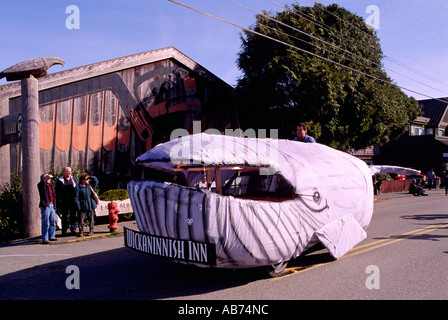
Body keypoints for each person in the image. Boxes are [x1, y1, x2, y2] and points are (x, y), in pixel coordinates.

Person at [55, 167, 79, 236]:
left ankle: (73, 229)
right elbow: (56, 191)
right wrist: (59, 198)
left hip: (72, 201)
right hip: (64, 202)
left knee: (73, 216)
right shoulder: (60, 180)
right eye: (67, 172)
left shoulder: (73, 179)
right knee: (64, 216)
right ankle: (64, 231)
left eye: (69, 172)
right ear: (64, 172)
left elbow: (77, 188)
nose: (68, 173)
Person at [74, 172, 99, 237]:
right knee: (81, 219)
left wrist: (90, 177)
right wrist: (78, 205)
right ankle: (81, 231)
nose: (88, 180)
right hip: (82, 205)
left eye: (88, 179)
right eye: (86, 179)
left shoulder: (90, 186)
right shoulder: (78, 187)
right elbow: (76, 197)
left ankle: (91, 230)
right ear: (82, 180)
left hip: (90, 204)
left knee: (91, 218)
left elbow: (96, 181)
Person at [37, 173, 58, 244]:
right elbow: (42, 182)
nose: (49, 179)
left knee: (52, 221)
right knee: (46, 222)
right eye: (47, 178)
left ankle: (52, 236)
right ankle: (45, 238)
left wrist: (55, 205)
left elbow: (54, 195)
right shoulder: (41, 185)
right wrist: (47, 176)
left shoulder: (51, 185)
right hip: (46, 205)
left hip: (51, 204)